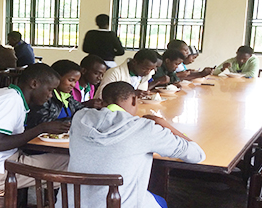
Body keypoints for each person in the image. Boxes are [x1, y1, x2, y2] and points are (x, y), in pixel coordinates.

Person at [62, 81, 206, 208]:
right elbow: (197, 155)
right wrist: (164, 124)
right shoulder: (145, 128)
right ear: (134, 100)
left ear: (103, 101)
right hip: (120, 203)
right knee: (161, 201)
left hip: (71, 202)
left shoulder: (80, 118)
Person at [0, 63, 70, 190]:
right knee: (71, 165)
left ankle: (51, 201)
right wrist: (42, 128)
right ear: (34, 84)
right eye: (50, 89)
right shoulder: (11, 100)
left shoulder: (7, 94)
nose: (51, 95)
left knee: (64, 162)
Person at [26, 60, 85, 129]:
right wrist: (72, 122)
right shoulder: (44, 97)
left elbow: (81, 109)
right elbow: (41, 122)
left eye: (76, 82)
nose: (73, 85)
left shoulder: (66, 96)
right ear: (57, 77)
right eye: (70, 80)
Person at [94, 49, 159, 99]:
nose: (148, 72)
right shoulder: (114, 73)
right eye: (144, 68)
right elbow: (101, 96)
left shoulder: (146, 74)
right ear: (134, 62)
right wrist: (130, 94)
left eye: (151, 69)